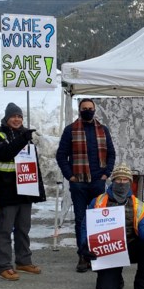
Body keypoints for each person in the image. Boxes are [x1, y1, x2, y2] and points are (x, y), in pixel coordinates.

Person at [56, 98, 116, 273]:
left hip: (98, 182)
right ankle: (83, 256)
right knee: (81, 220)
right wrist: (70, 176)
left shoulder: (103, 130)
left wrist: (107, 173)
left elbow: (111, 154)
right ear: (79, 110)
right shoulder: (70, 130)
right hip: (79, 184)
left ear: (95, 110)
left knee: (98, 220)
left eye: (90, 108)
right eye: (84, 108)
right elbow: (61, 155)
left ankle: (97, 253)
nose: (88, 110)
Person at [0, 102, 45, 282]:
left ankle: (23, 260)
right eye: (13, 116)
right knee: (5, 229)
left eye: (19, 116)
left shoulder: (24, 134)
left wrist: (38, 189)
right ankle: (4, 266)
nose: (17, 119)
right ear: (7, 118)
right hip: (6, 189)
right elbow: (4, 154)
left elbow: (32, 163)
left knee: (23, 228)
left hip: (25, 188)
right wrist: (23, 139)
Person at [87, 162, 144, 289]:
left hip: (130, 246)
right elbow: (86, 225)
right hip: (109, 250)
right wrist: (85, 245)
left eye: (125, 179)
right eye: (118, 179)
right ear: (112, 181)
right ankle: (116, 278)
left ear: (130, 182)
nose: (121, 182)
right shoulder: (98, 202)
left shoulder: (138, 204)